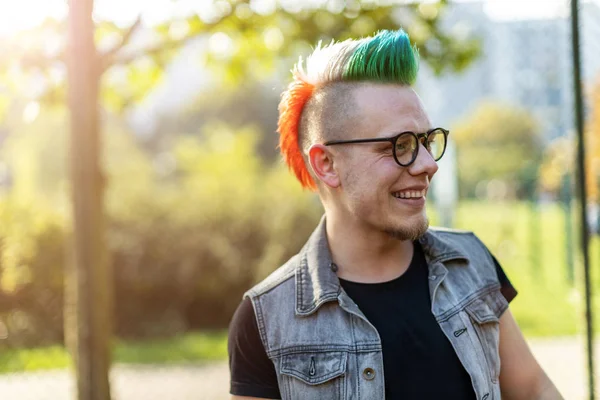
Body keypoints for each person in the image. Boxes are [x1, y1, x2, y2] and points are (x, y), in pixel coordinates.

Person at [227, 29, 562, 400]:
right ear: (326, 164)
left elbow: (533, 389)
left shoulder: (471, 263)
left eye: (426, 141)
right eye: (399, 146)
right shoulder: (266, 319)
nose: (427, 165)